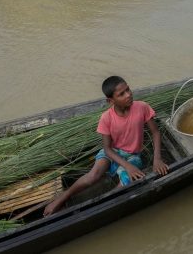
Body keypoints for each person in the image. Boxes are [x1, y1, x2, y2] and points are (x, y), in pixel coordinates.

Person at [43, 76, 168, 215]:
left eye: (128, 89)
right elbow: (108, 149)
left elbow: (155, 132)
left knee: (126, 182)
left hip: (133, 155)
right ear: (111, 101)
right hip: (112, 153)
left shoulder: (142, 107)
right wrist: (127, 166)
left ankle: (104, 204)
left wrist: (157, 159)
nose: (128, 94)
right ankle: (62, 198)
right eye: (122, 94)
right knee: (93, 176)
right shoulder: (106, 118)